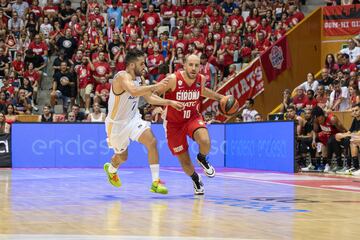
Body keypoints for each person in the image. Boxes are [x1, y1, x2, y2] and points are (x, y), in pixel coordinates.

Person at [103, 49, 184, 194]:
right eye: (142, 63)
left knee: (152, 142)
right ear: (132, 65)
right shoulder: (122, 77)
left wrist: (169, 102)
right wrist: (156, 86)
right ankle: (111, 168)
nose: (144, 67)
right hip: (116, 125)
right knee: (123, 157)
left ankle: (155, 182)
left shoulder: (140, 79)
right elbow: (134, 91)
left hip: (133, 119)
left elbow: (150, 97)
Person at [155, 54, 225, 195]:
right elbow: (154, 93)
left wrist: (220, 97)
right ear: (185, 65)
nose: (194, 68)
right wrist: (162, 105)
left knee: (205, 140)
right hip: (174, 124)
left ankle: (202, 158)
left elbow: (203, 91)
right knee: (185, 162)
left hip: (192, 118)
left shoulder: (201, 79)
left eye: (197, 65)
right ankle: (195, 178)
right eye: (191, 65)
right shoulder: (173, 79)